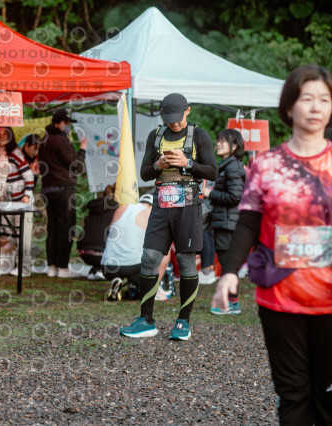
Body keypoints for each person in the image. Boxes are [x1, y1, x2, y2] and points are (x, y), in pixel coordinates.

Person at [212, 64, 332, 423]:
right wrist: (229, 272)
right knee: (293, 395)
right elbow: (248, 223)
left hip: (330, 300)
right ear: (289, 106)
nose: (315, 107)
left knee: (328, 397)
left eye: (324, 99)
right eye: (306, 98)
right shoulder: (266, 165)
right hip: (280, 299)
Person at [120, 93, 217, 340]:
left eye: (178, 118)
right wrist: (158, 165)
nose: (174, 123)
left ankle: (183, 321)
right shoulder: (156, 135)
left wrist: (188, 163)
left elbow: (213, 172)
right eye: (169, 119)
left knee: (185, 261)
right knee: (149, 257)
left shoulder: (199, 135)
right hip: (162, 205)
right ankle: (146, 320)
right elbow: (144, 174)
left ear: (188, 111)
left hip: (189, 206)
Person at [38, 109, 89, 279]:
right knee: (66, 228)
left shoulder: (44, 140)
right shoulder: (61, 140)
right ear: (57, 123)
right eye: (65, 123)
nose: (68, 126)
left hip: (48, 189)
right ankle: (62, 267)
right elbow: (76, 166)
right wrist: (82, 149)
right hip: (63, 189)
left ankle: (52, 266)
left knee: (52, 228)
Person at [202, 129, 246, 314]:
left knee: (228, 263)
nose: (218, 144)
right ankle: (231, 302)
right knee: (226, 262)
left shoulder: (233, 167)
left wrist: (210, 194)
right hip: (224, 221)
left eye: (223, 141)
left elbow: (235, 196)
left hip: (228, 223)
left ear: (234, 146)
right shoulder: (228, 165)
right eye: (218, 140)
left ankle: (232, 304)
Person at [102, 194, 171, 300]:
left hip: (107, 266)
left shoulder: (122, 208)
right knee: (165, 251)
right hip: (134, 267)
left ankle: (117, 279)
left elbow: (109, 234)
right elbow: (162, 246)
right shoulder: (151, 212)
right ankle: (152, 290)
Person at [0, 126, 35, 277]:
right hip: (8, 202)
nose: (2, 136)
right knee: (9, 235)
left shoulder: (15, 154)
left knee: (23, 236)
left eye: (5, 134)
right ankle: (9, 265)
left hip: (22, 202)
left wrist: (27, 195)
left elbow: (29, 176)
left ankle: (25, 269)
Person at [78, 184, 118, 280]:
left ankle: (95, 269)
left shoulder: (94, 208)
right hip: (101, 254)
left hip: (83, 253)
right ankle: (103, 271)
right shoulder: (117, 210)